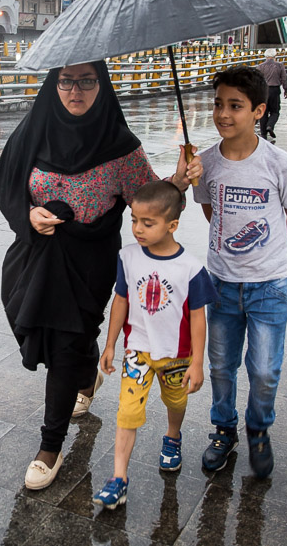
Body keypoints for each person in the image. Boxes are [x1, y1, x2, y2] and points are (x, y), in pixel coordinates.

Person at [0, 60, 203, 490]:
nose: (76, 91)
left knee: (65, 343)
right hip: (35, 258)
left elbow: (148, 198)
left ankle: (50, 447)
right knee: (51, 335)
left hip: (89, 263)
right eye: (66, 81)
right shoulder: (33, 130)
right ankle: (88, 373)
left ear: (101, 85)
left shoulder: (119, 144)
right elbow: (8, 187)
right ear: (54, 84)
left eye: (87, 81)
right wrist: (27, 215)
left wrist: (179, 182)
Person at [192, 66, 287, 479]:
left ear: (259, 110)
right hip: (221, 283)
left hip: (269, 286)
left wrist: (277, 258)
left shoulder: (278, 162)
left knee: (263, 368)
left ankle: (258, 428)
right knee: (221, 364)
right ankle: (224, 429)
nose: (224, 114)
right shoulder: (205, 163)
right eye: (219, 104)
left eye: (235, 106)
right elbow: (209, 209)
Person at [92, 181, 217, 509]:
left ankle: (172, 437)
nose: (138, 229)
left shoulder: (190, 268)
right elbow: (120, 300)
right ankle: (118, 479)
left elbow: (199, 318)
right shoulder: (128, 257)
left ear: (172, 225)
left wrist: (197, 362)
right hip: (138, 352)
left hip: (177, 355)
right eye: (134, 220)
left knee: (175, 402)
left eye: (148, 223)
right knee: (127, 412)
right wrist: (110, 345)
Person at [255, 48, 287, 140]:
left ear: (265, 56)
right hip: (275, 90)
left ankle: (263, 134)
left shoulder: (260, 66)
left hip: (264, 91)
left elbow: (256, 80)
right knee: (275, 111)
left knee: (263, 112)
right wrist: (286, 89)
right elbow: (284, 79)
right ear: (275, 56)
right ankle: (270, 125)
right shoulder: (280, 66)